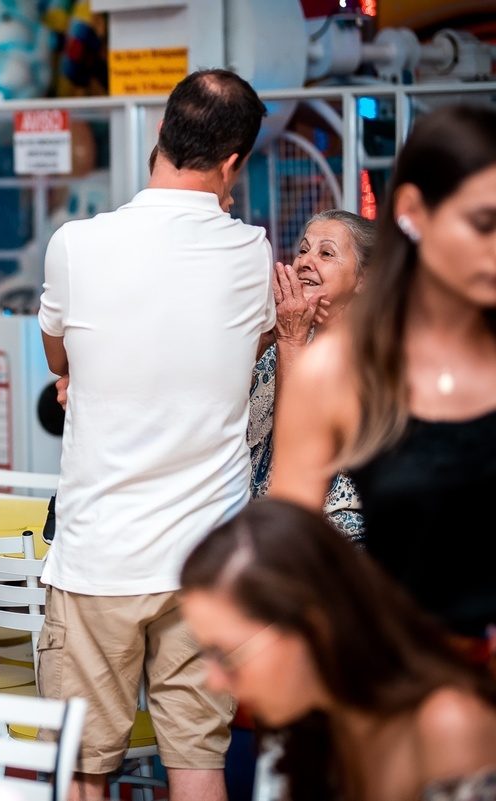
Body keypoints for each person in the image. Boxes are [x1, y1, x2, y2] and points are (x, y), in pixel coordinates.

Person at [37, 68, 272, 801]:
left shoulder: (76, 245)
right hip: (207, 565)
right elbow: (254, 350)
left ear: (159, 134)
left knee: (84, 770)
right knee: (199, 762)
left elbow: (59, 361)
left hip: (99, 556)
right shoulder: (255, 255)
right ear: (233, 162)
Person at [269, 104, 496, 651]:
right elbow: (290, 541)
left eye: (326, 253)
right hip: (395, 661)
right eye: (483, 223)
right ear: (414, 213)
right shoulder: (336, 369)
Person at [180, 498, 496, 801]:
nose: (215, 681)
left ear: (312, 626)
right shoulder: (308, 721)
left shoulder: (448, 723)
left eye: (227, 654)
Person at [248, 210, 374, 539]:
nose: (305, 261)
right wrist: (264, 339)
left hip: (328, 542)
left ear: (364, 280)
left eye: (326, 253)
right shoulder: (285, 338)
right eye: (303, 250)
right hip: (266, 532)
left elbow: (296, 448)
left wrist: (290, 339)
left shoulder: (371, 354)